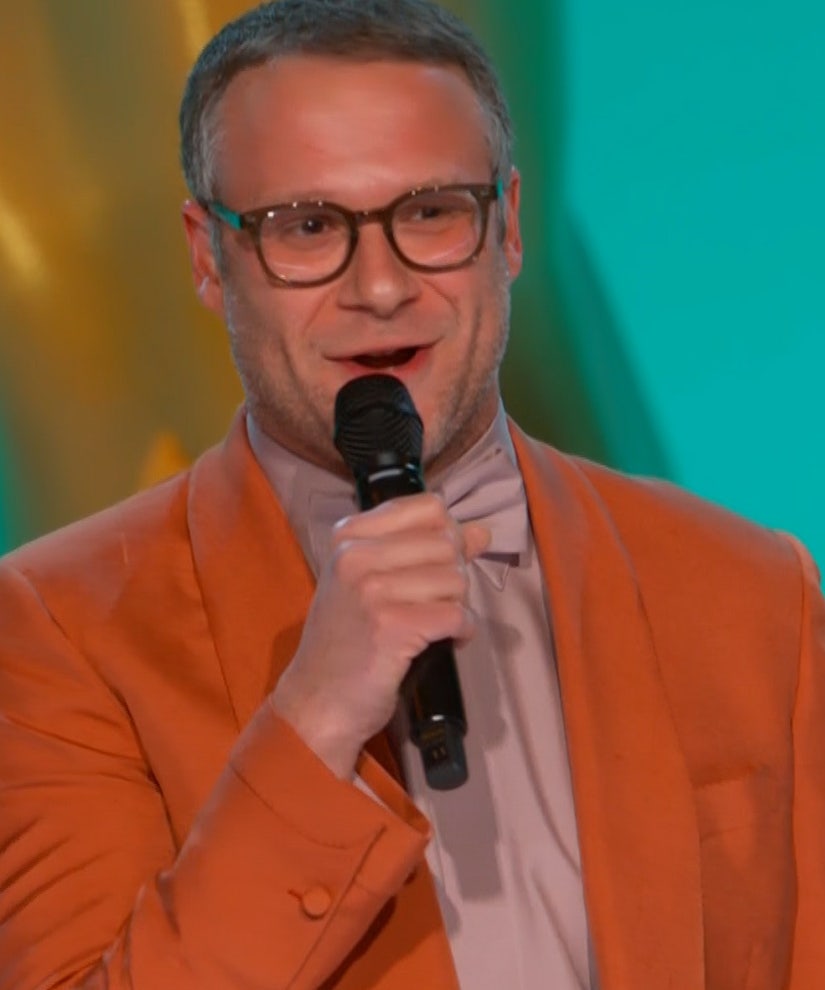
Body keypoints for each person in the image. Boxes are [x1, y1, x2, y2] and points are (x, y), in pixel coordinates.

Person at [0, 1, 823, 987]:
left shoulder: (754, 591)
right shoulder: (54, 632)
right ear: (208, 258)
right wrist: (314, 720)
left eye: (430, 213)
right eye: (308, 227)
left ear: (507, 228)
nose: (381, 287)